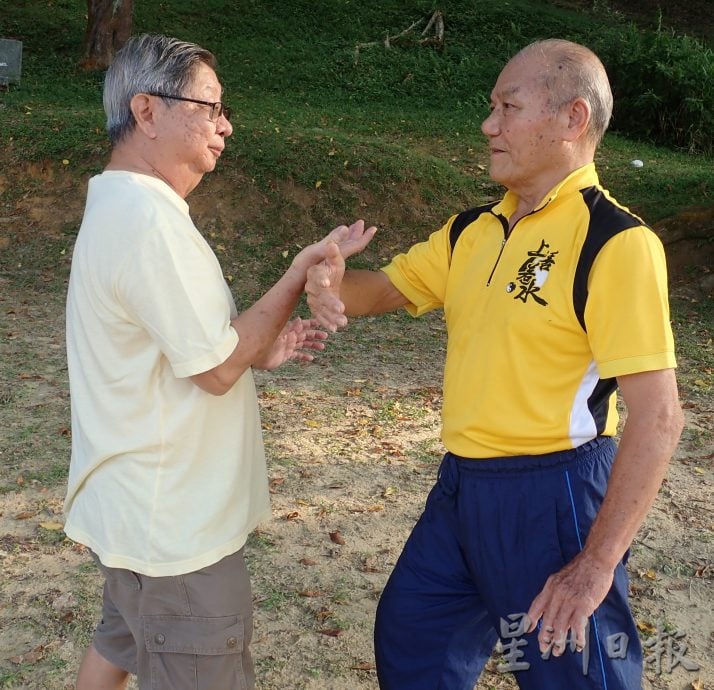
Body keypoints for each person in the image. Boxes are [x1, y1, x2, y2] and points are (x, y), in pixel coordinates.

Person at [306, 39, 684, 690]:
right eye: (491, 107)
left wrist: (595, 565)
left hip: (555, 496)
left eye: (507, 107)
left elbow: (659, 417)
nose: (488, 125)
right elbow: (383, 290)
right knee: (413, 638)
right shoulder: (472, 232)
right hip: (462, 486)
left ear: (572, 119)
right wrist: (331, 280)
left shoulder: (616, 243)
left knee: (569, 672)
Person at [64, 34, 375, 690]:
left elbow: (193, 349)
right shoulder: (149, 225)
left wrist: (253, 348)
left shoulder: (120, 205)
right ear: (146, 112)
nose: (225, 124)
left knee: (118, 644)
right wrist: (296, 274)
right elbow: (215, 369)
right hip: (175, 535)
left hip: (137, 513)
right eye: (208, 107)